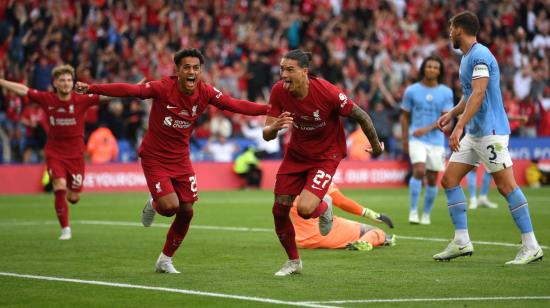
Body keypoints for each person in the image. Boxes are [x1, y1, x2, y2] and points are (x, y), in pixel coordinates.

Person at [76, 48, 268, 274]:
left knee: (187, 211)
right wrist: (91, 87)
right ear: (178, 70)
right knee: (169, 208)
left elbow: (234, 104)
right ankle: (154, 202)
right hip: (155, 156)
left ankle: (165, 260)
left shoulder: (205, 92)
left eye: (196, 68)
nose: (192, 72)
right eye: (186, 67)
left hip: (181, 159)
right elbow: (130, 90)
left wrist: (269, 109)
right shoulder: (163, 87)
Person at [434, 11, 543, 265]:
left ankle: (531, 245)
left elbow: (480, 92)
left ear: (460, 29)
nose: (449, 32)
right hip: (474, 133)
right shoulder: (466, 58)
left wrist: (458, 126)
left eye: (451, 28)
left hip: (491, 132)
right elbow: (470, 94)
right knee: (449, 180)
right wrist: (452, 113)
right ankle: (461, 241)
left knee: (506, 187)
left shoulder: (480, 55)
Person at [263, 49, 384, 276]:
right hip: (296, 155)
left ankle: (323, 205)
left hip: (326, 155)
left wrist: (376, 146)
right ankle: (293, 262)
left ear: (304, 72)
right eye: (282, 69)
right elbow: (267, 134)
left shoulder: (327, 92)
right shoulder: (278, 91)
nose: (284, 74)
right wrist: (274, 127)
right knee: (279, 210)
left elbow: (362, 116)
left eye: (290, 70)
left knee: (307, 210)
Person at [0, 64, 108, 240]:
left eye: (68, 80)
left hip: (76, 156)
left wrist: (133, 91)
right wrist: (2, 81)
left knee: (73, 198)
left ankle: (68, 207)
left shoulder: (81, 100)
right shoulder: (47, 99)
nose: (66, 83)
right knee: (59, 186)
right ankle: (65, 229)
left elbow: (105, 96)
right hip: (55, 153)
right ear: (55, 83)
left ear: (72, 82)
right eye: (62, 80)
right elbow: (24, 90)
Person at [400, 55, 454, 225]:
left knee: (432, 178)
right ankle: (413, 211)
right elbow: (404, 116)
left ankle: (426, 214)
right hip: (416, 139)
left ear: (439, 72)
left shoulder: (446, 92)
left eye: (435, 67)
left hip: (436, 141)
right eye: (429, 66)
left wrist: (427, 129)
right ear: (423, 68)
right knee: (419, 171)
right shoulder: (412, 90)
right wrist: (405, 139)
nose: (432, 69)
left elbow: (447, 119)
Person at [291, 183, 395, 250]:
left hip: (302, 240)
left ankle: (362, 242)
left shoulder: (291, 181)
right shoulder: (320, 176)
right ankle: (365, 242)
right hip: (325, 233)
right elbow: (342, 202)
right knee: (375, 231)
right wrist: (373, 215)